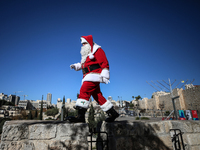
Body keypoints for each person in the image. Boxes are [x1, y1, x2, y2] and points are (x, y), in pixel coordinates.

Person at [68, 35, 119, 123]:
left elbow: (104, 62)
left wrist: (105, 74)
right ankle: (112, 113)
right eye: (82, 44)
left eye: (84, 43)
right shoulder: (86, 55)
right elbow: (82, 64)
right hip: (88, 76)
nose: (83, 45)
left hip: (93, 76)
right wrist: (75, 66)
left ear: (89, 43)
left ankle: (80, 116)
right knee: (97, 96)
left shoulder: (97, 50)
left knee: (84, 91)